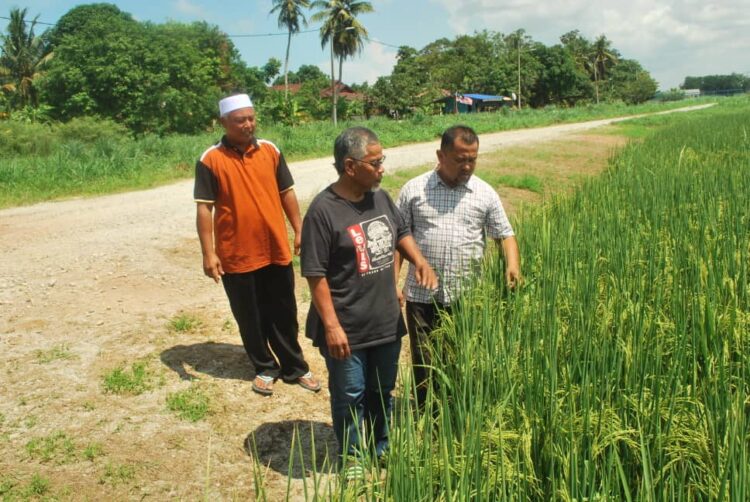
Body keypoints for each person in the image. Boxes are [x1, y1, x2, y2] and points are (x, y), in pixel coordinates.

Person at [300, 126, 437, 469]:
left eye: (382, 160)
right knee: (350, 397)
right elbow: (314, 274)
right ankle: (353, 458)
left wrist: (419, 260)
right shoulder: (323, 211)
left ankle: (381, 447)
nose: (382, 169)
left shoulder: (381, 198)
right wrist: (331, 327)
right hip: (347, 326)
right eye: (375, 162)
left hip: (385, 321)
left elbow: (400, 232)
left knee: (381, 391)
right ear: (350, 166)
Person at [194, 93, 320, 396]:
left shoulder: (270, 151)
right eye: (240, 120)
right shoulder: (210, 159)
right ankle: (264, 366)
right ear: (224, 122)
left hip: (275, 248)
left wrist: (299, 229)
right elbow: (204, 209)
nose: (248, 125)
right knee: (249, 314)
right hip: (236, 254)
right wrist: (208, 254)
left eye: (251, 118)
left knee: (284, 310)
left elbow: (286, 192)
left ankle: (295, 367)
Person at [396, 124, 521, 406]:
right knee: (425, 362)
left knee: (461, 359)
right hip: (422, 295)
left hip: (466, 296)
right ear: (441, 156)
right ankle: (429, 416)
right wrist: (393, 283)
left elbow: (505, 234)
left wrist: (512, 265)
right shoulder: (414, 190)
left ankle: (458, 411)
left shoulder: (484, 193)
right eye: (460, 159)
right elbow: (398, 240)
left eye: (472, 159)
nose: (467, 166)